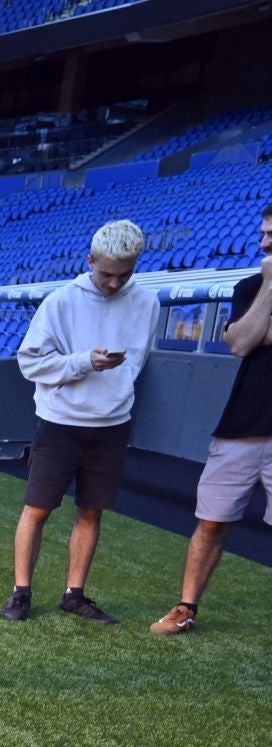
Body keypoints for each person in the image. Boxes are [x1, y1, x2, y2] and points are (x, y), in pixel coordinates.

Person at [0, 219, 159, 624]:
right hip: (60, 421)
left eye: (124, 274)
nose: (113, 283)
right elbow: (29, 361)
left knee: (92, 510)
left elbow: (137, 361)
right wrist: (84, 361)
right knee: (37, 509)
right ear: (89, 260)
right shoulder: (61, 302)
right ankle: (20, 593)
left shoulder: (148, 302)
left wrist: (116, 388)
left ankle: (75, 593)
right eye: (106, 273)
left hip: (112, 424)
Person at [151, 204, 272, 635]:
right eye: (263, 233)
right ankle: (186, 608)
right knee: (212, 520)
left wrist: (261, 331)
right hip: (242, 424)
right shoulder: (251, 286)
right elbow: (240, 343)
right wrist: (271, 287)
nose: (265, 242)